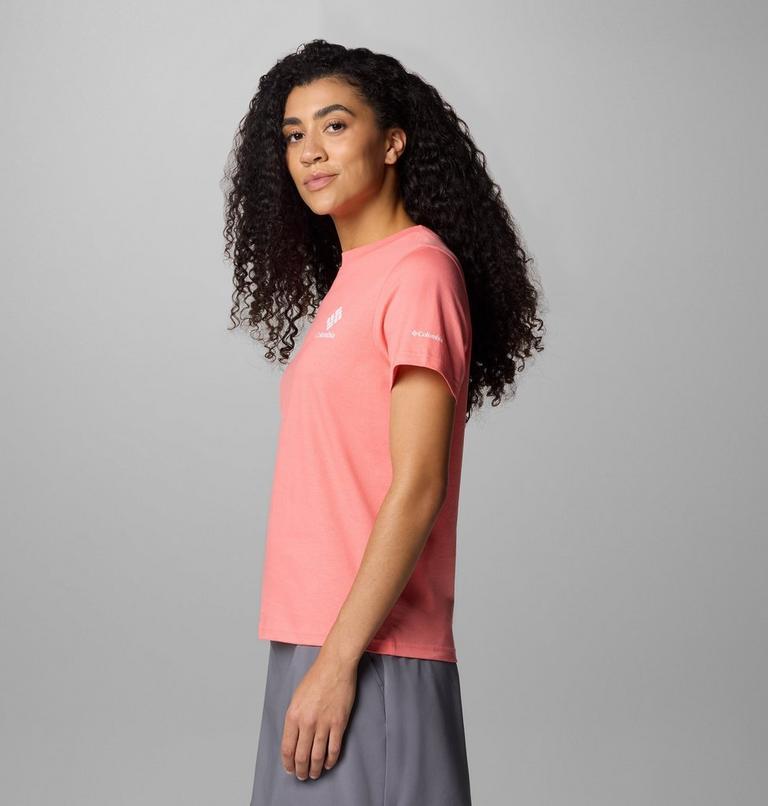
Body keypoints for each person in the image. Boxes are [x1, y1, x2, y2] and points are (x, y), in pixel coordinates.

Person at [222, 39, 545, 806]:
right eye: (293, 134)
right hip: (312, 636)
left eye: (334, 125)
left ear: (393, 142)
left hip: (371, 649)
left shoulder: (419, 272)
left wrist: (338, 665)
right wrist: (319, 659)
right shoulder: (351, 283)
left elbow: (419, 485)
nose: (310, 150)